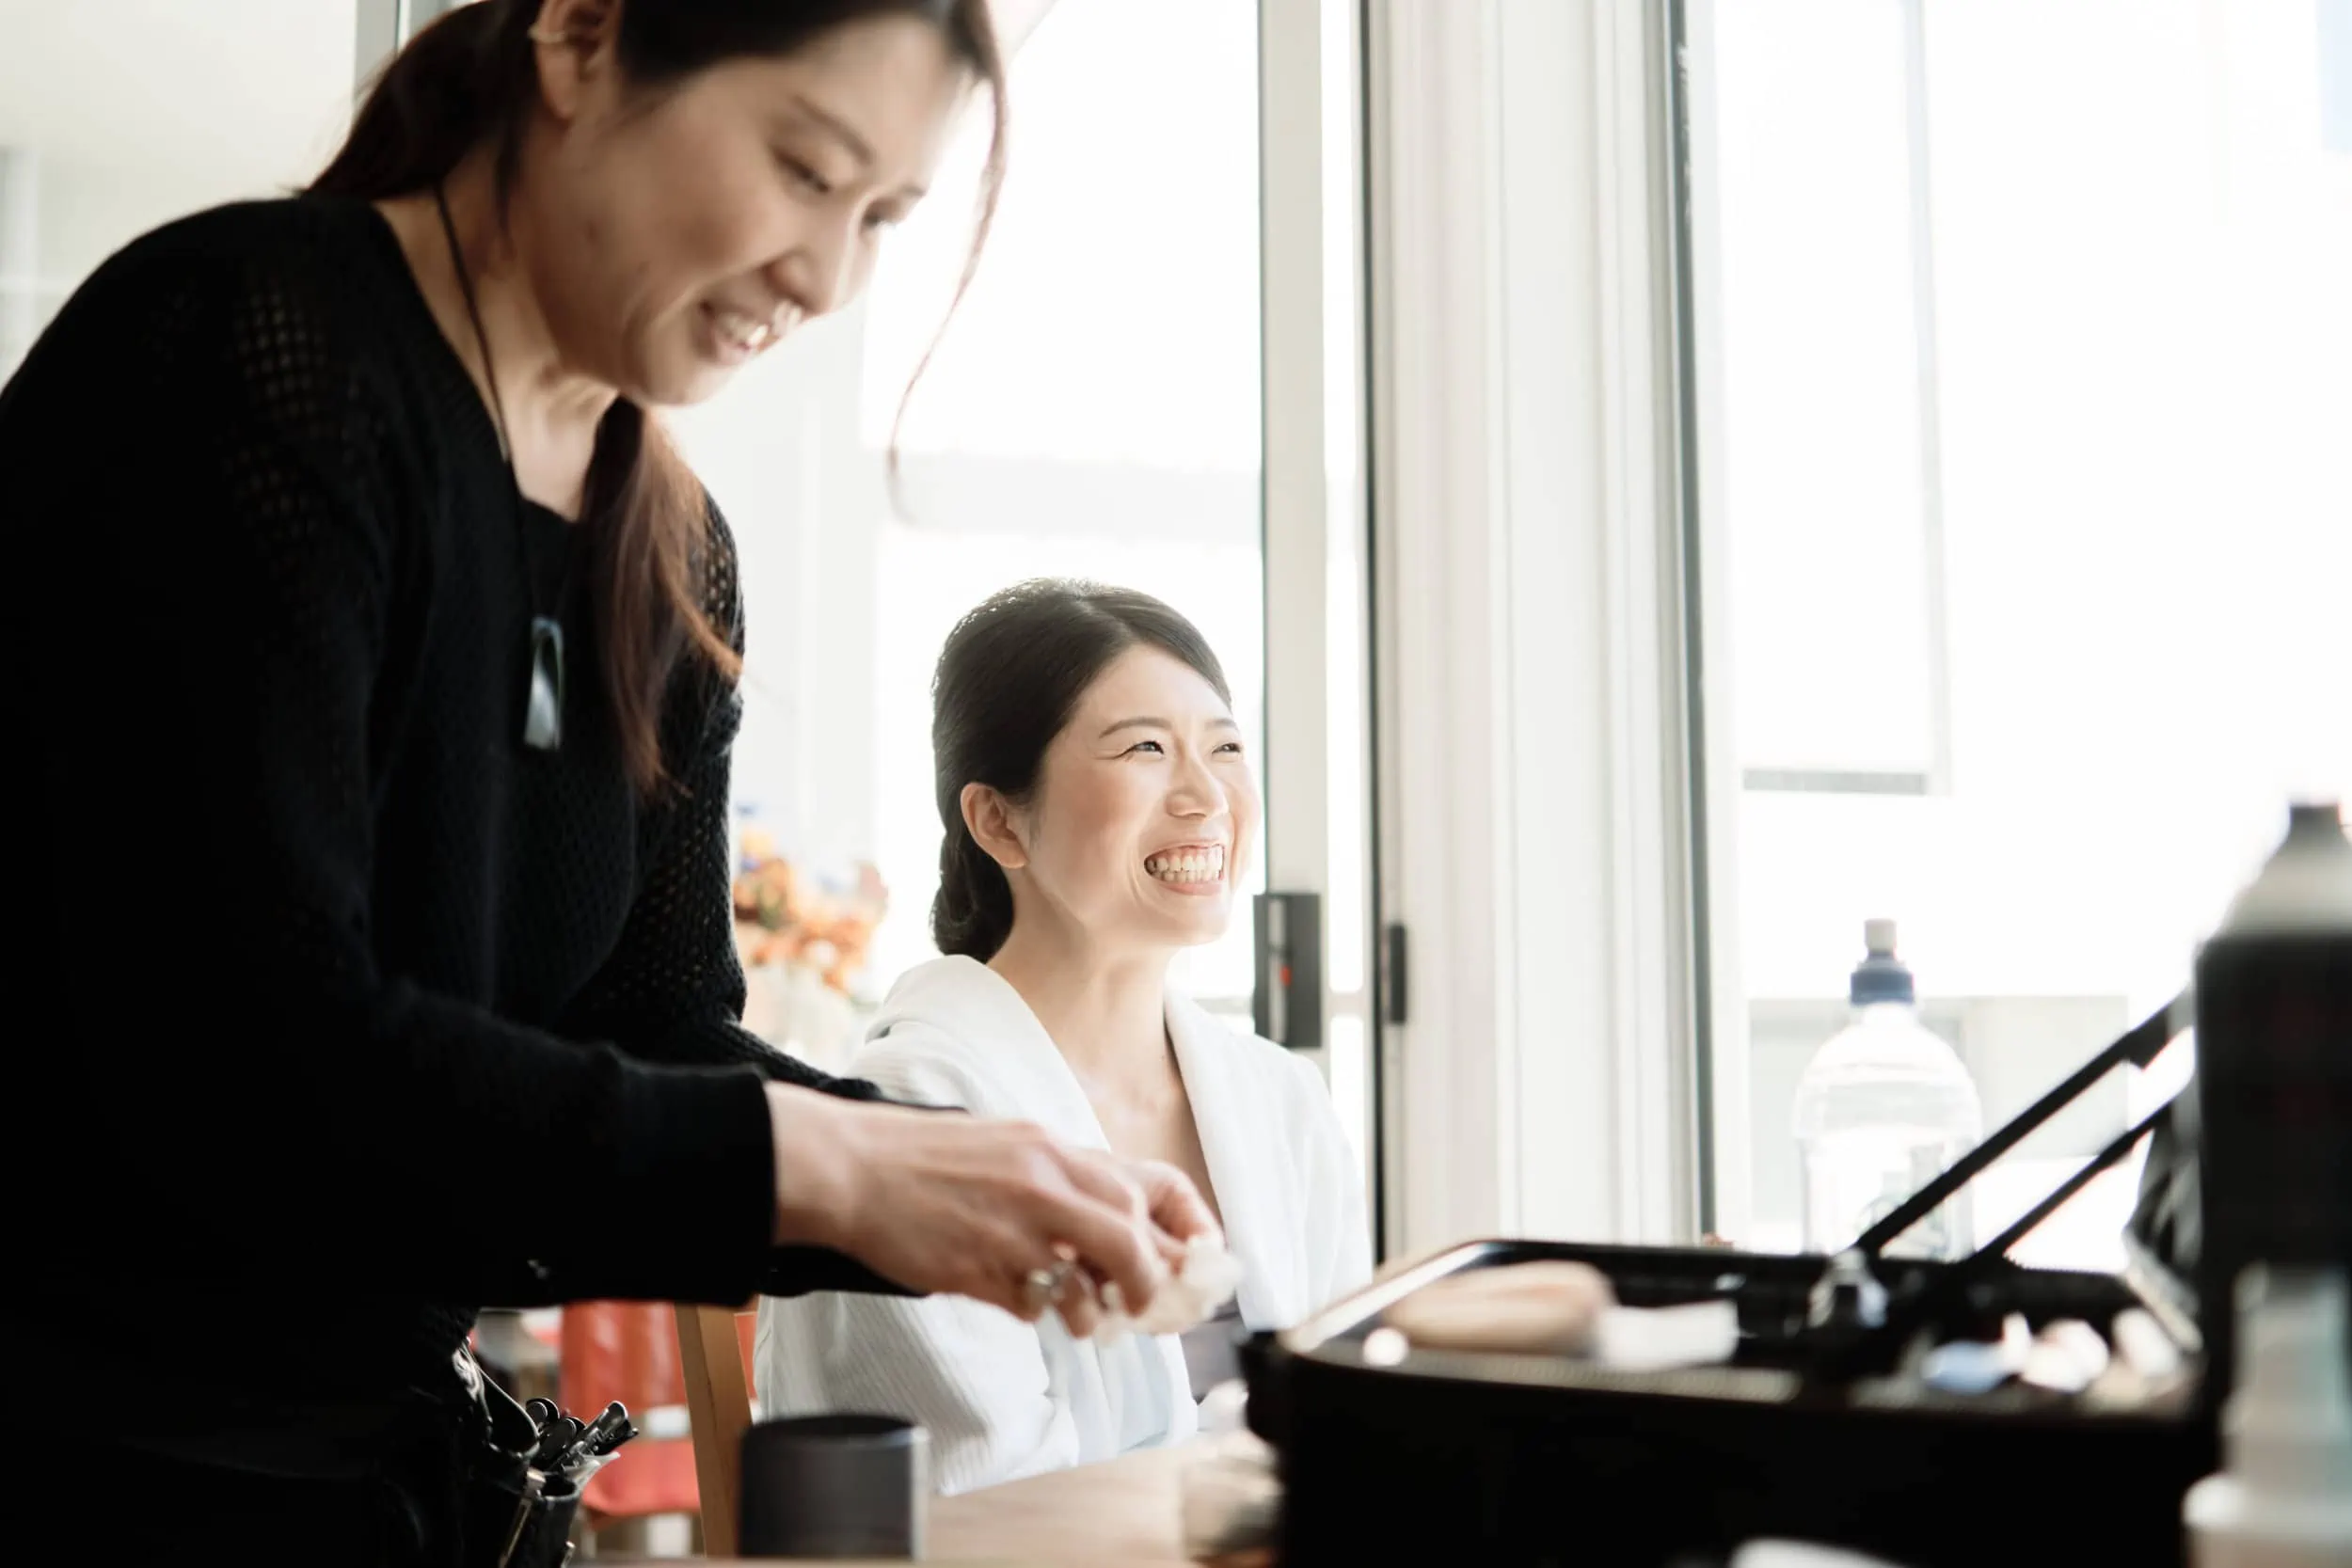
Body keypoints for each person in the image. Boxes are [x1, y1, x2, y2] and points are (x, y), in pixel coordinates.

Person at [0, 3, 1214, 1560]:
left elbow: (653, 1026)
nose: (825, 276)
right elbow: (259, 1054)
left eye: (880, 219)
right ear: (582, 36)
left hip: (378, 1485)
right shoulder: (257, 351)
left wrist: (977, 1178)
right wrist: (833, 1166)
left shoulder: (669, 559)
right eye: (804, 168)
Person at [757, 580, 1372, 1495]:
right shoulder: (909, 1114)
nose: (1207, 794)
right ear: (998, 819)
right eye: (1146, 748)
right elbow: (980, 1506)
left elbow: (1346, 1425)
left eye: (1226, 747)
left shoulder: (1282, 1098)